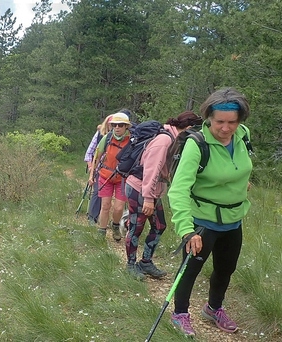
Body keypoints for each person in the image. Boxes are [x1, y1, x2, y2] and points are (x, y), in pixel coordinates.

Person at [167, 87, 253, 337]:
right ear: (208, 118)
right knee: (190, 269)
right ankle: (180, 313)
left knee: (226, 269)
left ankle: (214, 308)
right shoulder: (197, 144)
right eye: (220, 122)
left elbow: (241, 166)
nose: (226, 128)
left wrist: (240, 184)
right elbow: (178, 190)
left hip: (233, 220)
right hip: (202, 222)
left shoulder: (243, 135)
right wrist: (187, 230)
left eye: (232, 122)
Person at [123, 111, 203, 280]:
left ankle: (145, 262)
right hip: (139, 188)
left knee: (159, 226)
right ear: (188, 127)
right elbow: (151, 169)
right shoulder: (164, 140)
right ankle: (130, 265)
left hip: (150, 189)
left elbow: (165, 169)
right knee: (136, 227)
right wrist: (148, 198)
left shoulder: (174, 140)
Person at [89, 112, 130, 240]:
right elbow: (97, 157)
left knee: (118, 208)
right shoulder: (106, 138)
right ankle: (101, 232)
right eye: (114, 125)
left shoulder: (132, 141)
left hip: (122, 178)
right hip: (105, 176)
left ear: (126, 127)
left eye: (120, 125)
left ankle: (116, 225)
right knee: (105, 205)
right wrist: (92, 174)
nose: (117, 128)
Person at [84, 114, 114, 225]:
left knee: (106, 195)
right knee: (98, 191)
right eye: (112, 124)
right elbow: (89, 153)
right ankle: (92, 217)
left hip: (114, 170)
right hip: (99, 168)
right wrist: (91, 167)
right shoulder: (100, 135)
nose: (114, 126)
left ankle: (103, 218)